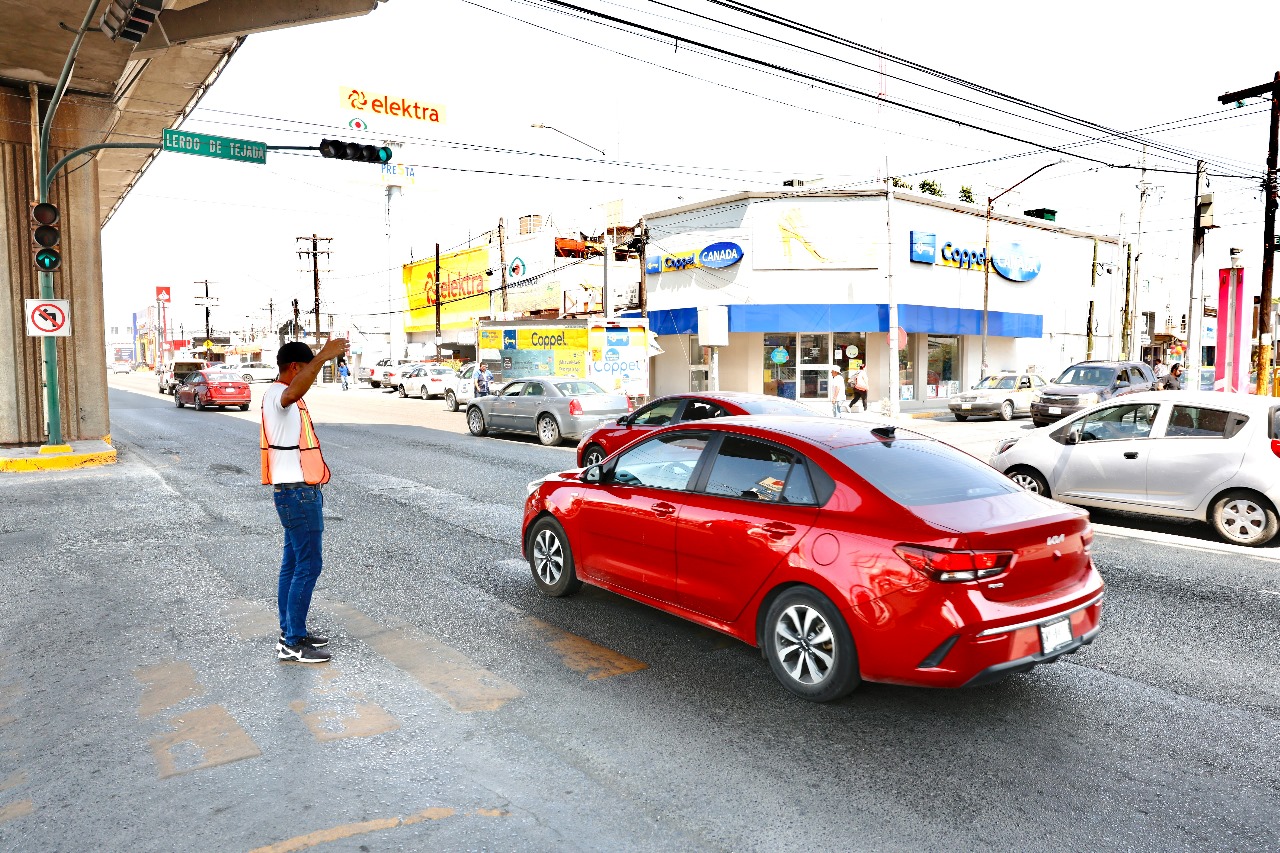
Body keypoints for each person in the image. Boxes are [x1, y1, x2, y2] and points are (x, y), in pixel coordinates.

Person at [261, 339, 347, 664]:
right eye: (308, 368)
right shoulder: (279, 395)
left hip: (293, 492)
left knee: (293, 564)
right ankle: (293, 642)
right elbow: (293, 393)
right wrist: (323, 355)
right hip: (297, 494)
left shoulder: (276, 395)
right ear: (295, 367)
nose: (313, 374)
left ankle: (290, 633)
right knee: (308, 565)